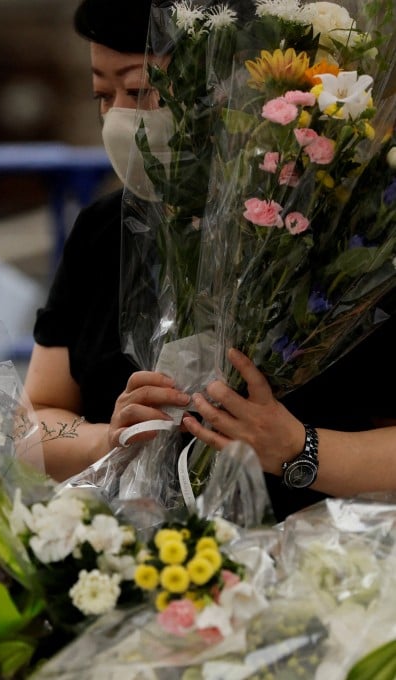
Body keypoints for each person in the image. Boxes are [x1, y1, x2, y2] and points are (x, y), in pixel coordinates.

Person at [23, 0, 396, 520]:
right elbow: (34, 418)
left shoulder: (356, 238)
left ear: (233, 87)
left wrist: (298, 448)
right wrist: (104, 439)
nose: (117, 118)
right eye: (101, 96)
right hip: (137, 558)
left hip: (326, 566)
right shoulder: (103, 234)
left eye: (140, 91)